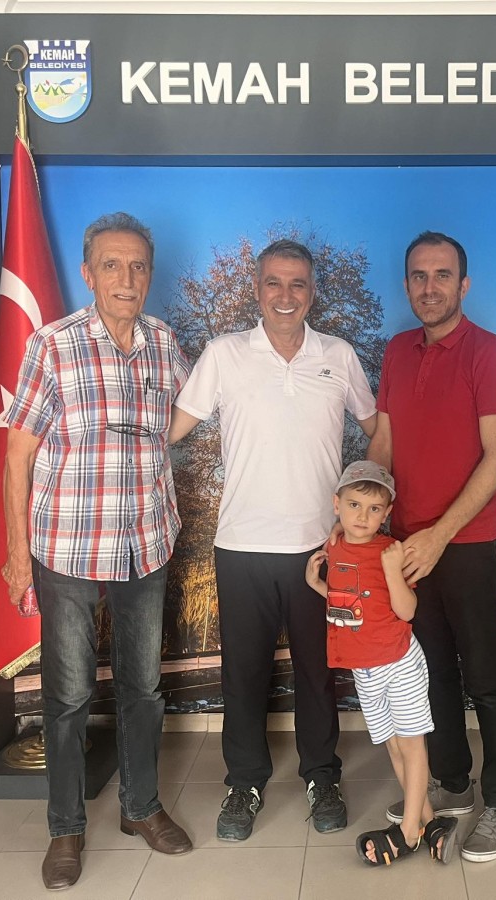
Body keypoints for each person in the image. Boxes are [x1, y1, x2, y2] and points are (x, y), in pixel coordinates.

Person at [3, 212, 194, 891]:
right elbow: (18, 455)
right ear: (88, 273)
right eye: (112, 265)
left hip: (146, 541)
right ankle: (65, 827)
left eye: (138, 266)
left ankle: (141, 808)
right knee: (68, 695)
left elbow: (181, 420)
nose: (126, 278)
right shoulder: (52, 345)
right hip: (68, 547)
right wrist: (17, 554)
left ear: (151, 274)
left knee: (144, 687)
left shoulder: (165, 342)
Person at [169, 239, 377, 842]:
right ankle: (244, 782)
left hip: (320, 550)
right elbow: (171, 430)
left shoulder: (338, 355)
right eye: (274, 283)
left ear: (312, 292)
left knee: (318, 672)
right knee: (244, 674)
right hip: (241, 546)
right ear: (256, 289)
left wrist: (361, 514)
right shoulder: (224, 354)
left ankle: (322, 776)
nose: (286, 295)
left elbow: (377, 429)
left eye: (298, 284)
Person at [368, 230, 496, 863]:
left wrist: (439, 535)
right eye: (418, 276)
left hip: (467, 542)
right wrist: (365, 521)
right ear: (406, 284)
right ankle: (454, 783)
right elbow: (383, 444)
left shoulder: (492, 354)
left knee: (485, 675)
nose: (429, 287)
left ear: (464, 284)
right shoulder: (396, 352)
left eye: (441, 275)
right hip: (405, 544)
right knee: (428, 671)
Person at [304, 461, 456, 866]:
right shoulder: (336, 546)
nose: (362, 516)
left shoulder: (392, 552)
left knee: (411, 744)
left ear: (387, 512)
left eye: (374, 509)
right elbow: (349, 605)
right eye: (354, 505)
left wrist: (391, 571)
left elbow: (407, 611)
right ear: (336, 504)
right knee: (392, 743)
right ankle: (428, 823)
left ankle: (407, 833)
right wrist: (318, 585)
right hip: (364, 667)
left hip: (398, 661)